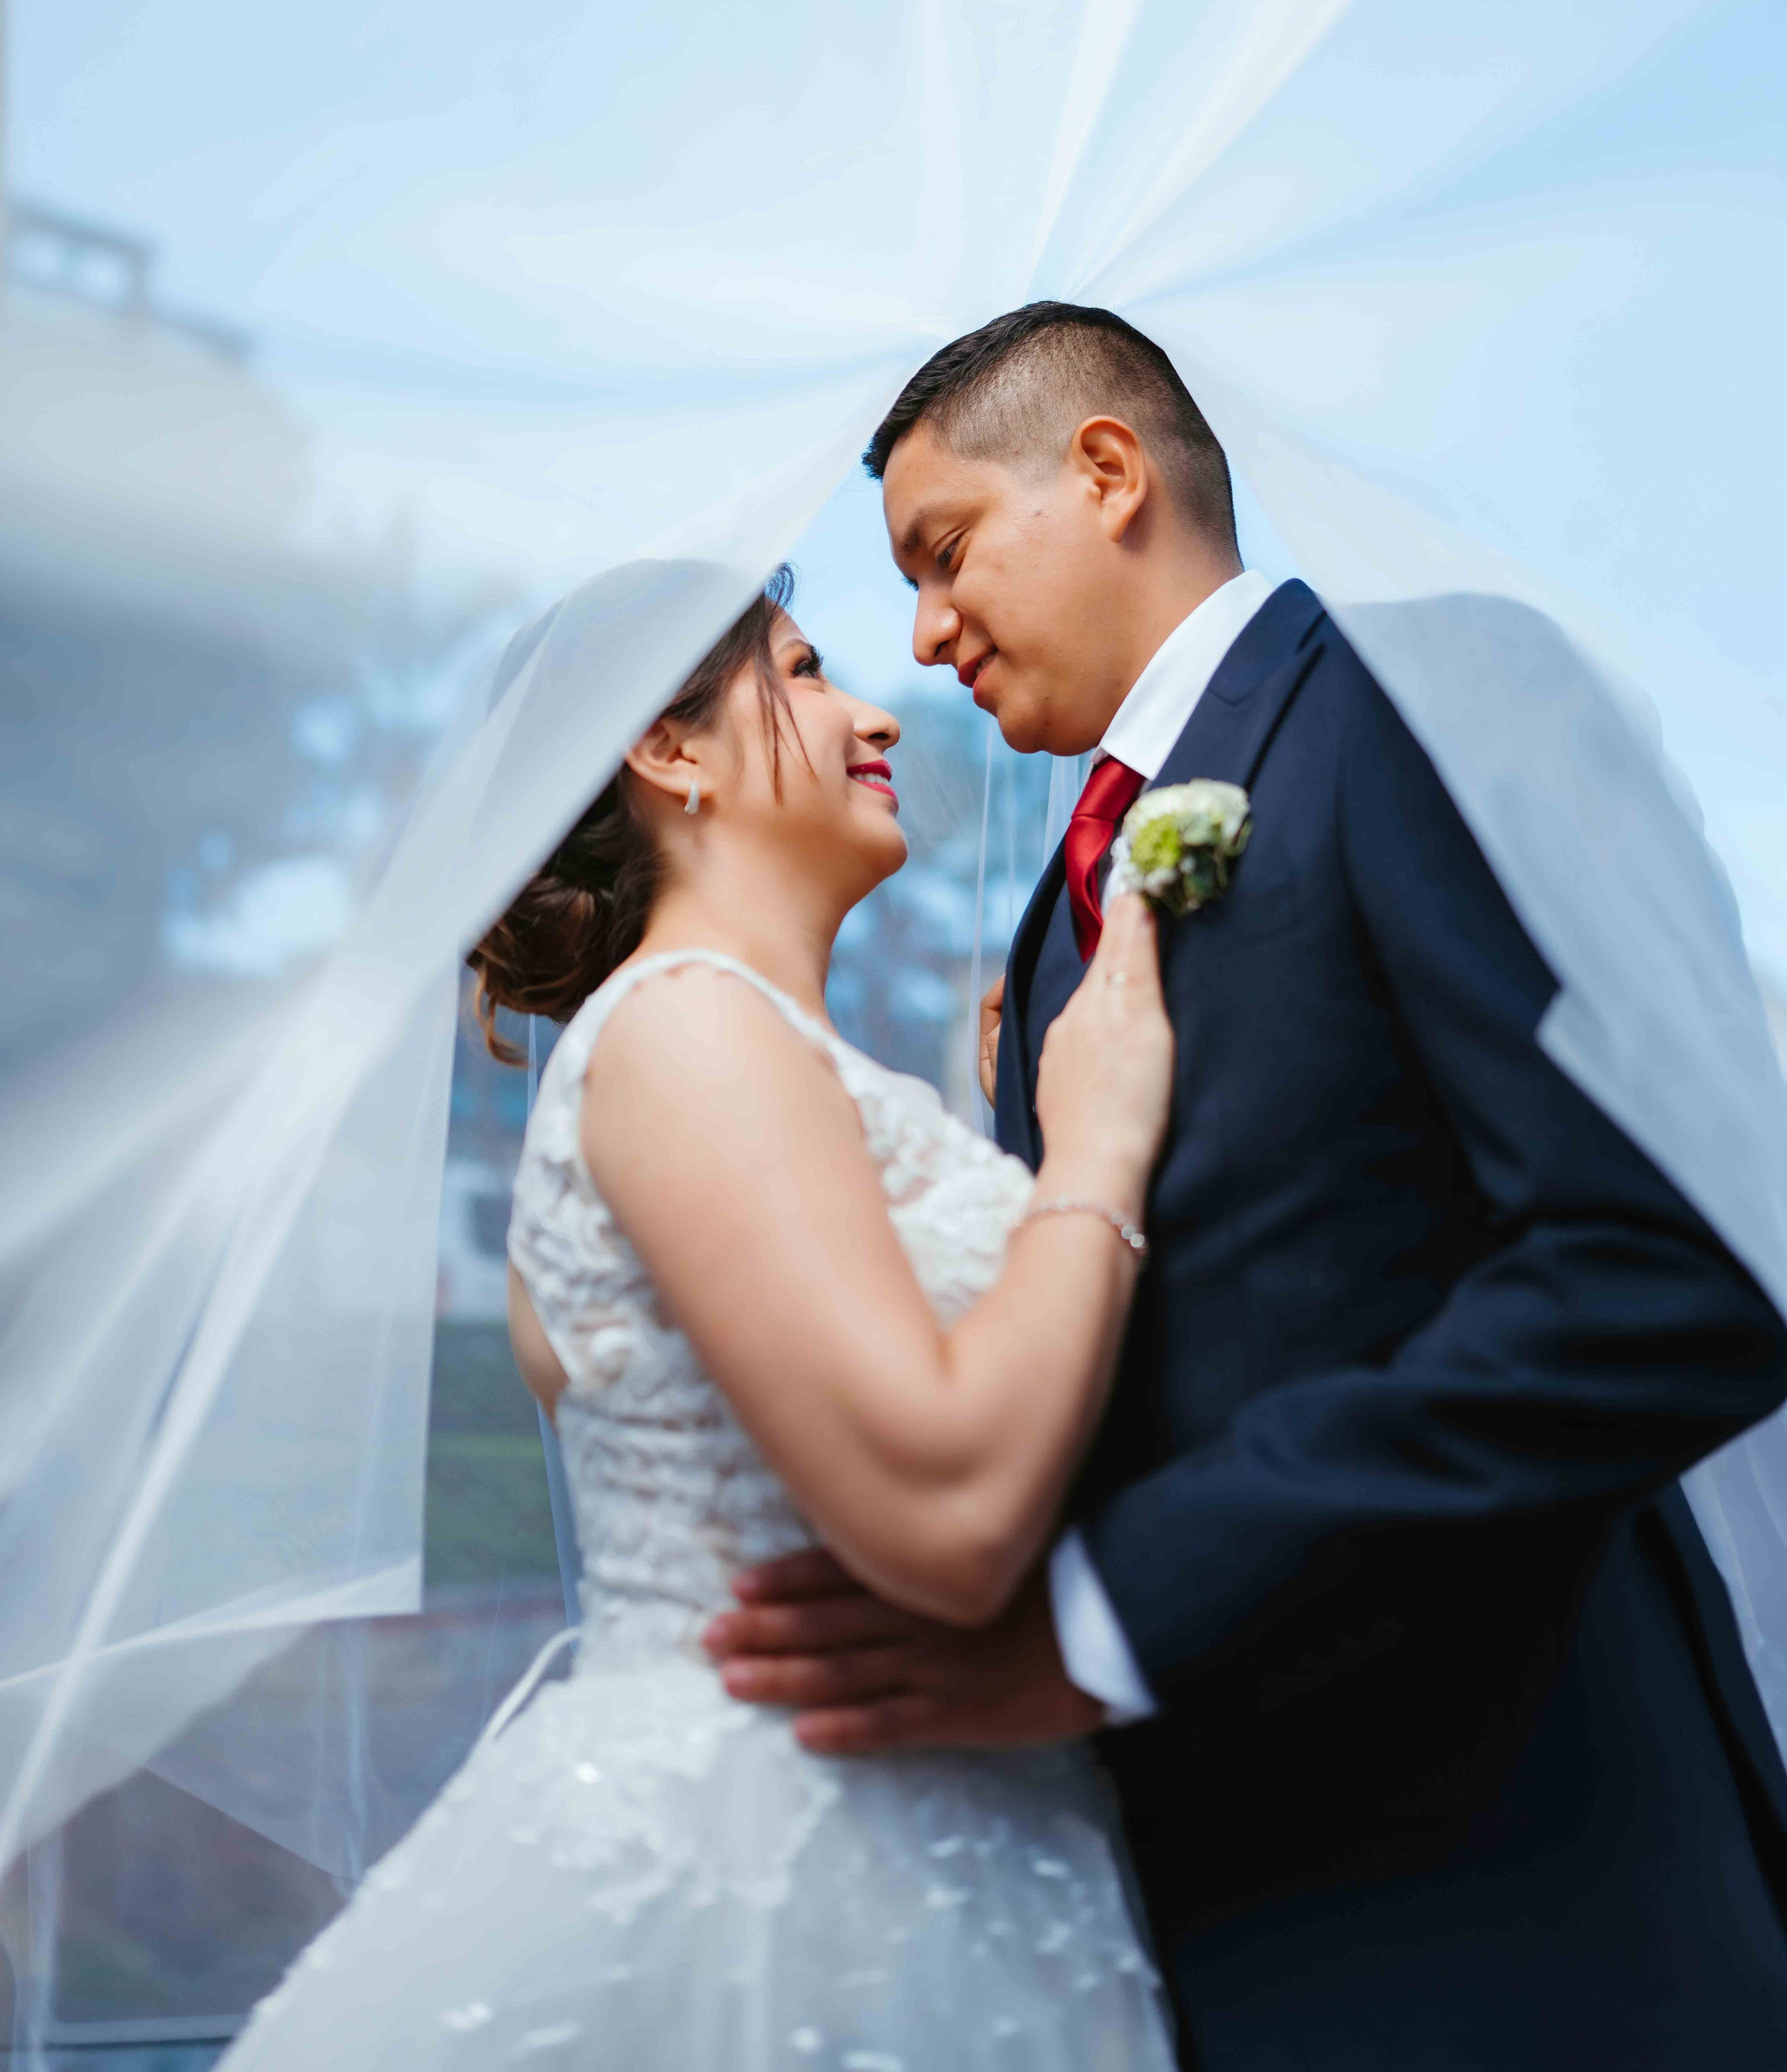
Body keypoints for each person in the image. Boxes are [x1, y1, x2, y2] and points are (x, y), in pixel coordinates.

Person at [706, 303, 1787, 2071]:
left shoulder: (1432, 698)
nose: (919, 629)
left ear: (1108, 470)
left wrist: (1106, 1614)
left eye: (944, 550)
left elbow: (1671, 1259)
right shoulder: (1044, 946)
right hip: (1188, 1941)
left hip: (1526, 1922)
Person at [218, 567, 1181, 2069]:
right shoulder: (681, 1031)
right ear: (666, 752)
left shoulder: (756, 1061)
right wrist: (1103, 1146)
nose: (871, 714)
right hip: (775, 1875)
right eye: (800, 674)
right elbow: (947, 1503)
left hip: (949, 1854)